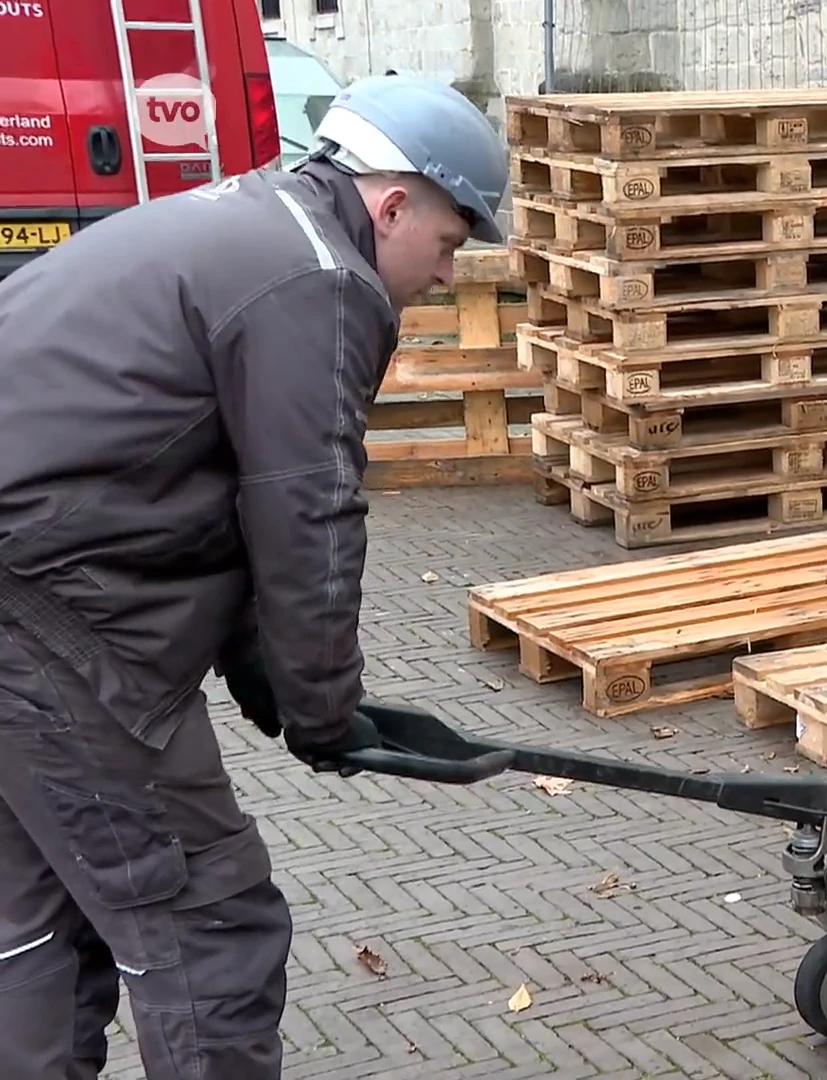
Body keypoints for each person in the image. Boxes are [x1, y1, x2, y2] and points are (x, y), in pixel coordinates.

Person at [0, 74, 507, 1078]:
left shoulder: (250, 221)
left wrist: (272, 683)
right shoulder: (321, 279)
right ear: (393, 204)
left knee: (44, 924)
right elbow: (304, 513)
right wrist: (322, 713)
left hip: (38, 596)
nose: (448, 276)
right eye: (450, 244)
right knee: (208, 924)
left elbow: (211, 496)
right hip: (54, 629)